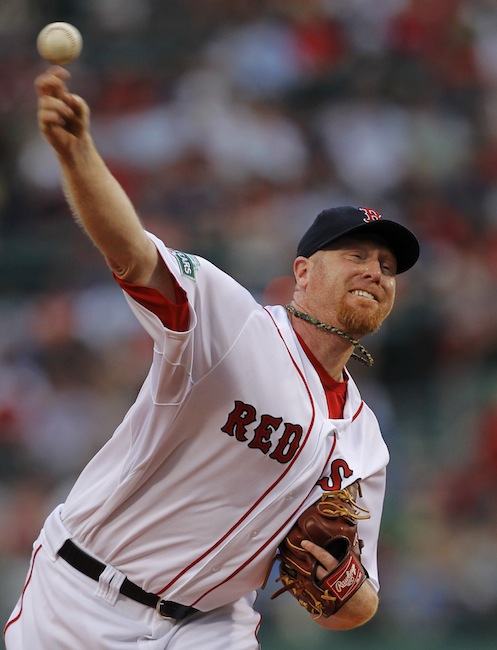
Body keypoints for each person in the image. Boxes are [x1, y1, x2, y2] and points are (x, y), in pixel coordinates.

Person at [4, 67, 419, 650]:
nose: (375, 271)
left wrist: (344, 583)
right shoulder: (231, 324)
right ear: (302, 272)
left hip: (210, 628)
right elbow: (131, 251)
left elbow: (355, 607)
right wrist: (77, 157)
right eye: (356, 254)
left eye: (388, 267)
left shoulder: (366, 443)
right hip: (81, 596)